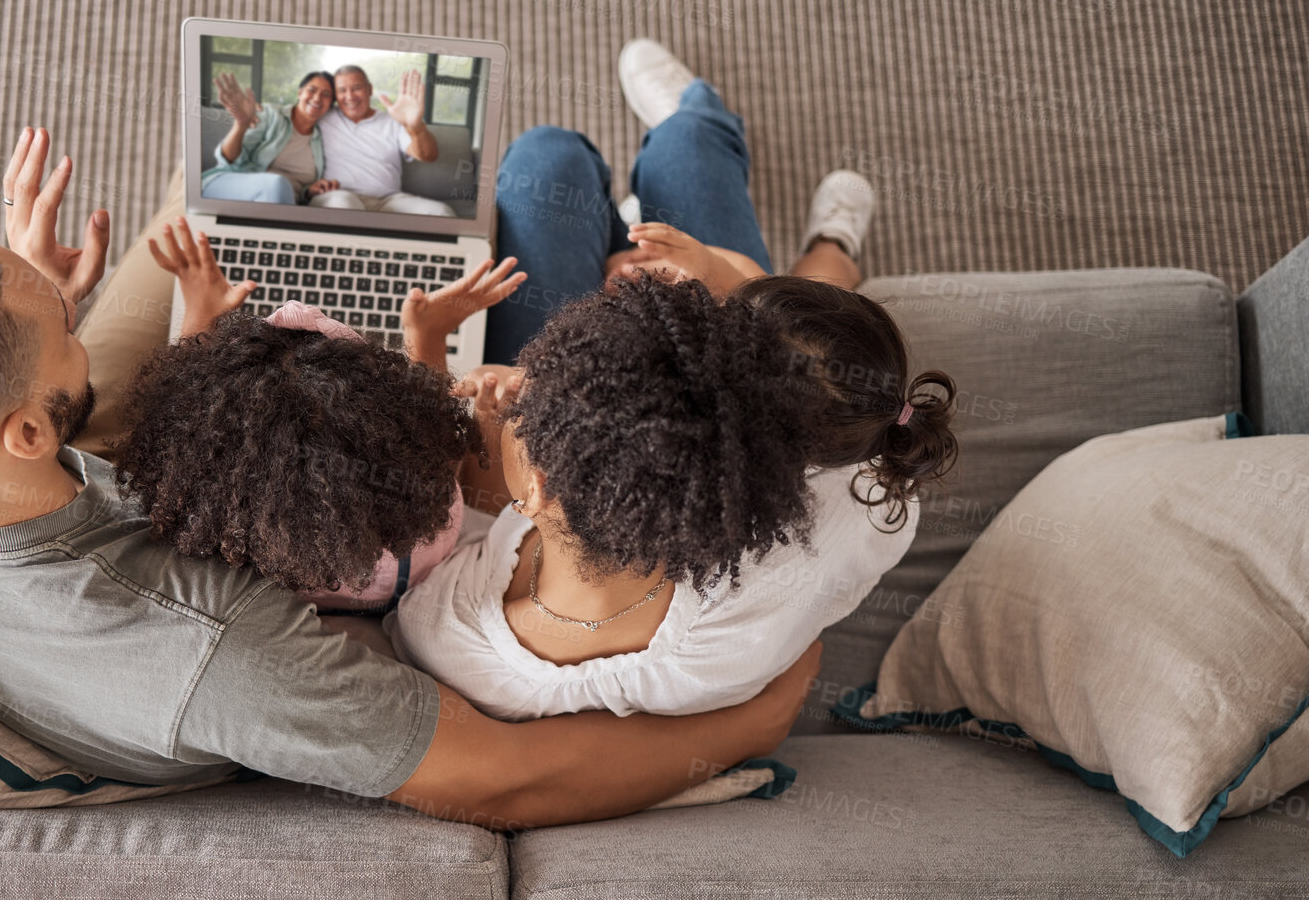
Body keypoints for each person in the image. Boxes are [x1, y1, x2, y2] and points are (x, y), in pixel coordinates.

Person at [0, 124, 820, 831]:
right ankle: (801, 240)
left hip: (134, 460)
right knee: (551, 173)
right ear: (30, 431)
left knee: (217, 191)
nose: (77, 308)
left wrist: (31, 290)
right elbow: (512, 782)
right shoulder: (216, 650)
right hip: (215, 536)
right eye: (63, 330)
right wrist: (763, 712)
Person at [390, 271, 959, 721]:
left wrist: (427, 348)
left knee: (554, 158)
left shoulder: (447, 638)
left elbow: (469, 503)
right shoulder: (866, 492)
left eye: (523, 413)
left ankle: (827, 249)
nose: (514, 388)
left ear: (537, 492)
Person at [116, 217, 526, 614]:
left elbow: (192, 428)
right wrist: (428, 334)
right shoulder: (422, 517)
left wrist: (200, 317)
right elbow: (436, 452)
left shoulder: (223, 538)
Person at [481, 38, 878, 365]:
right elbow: (762, 305)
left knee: (548, 155)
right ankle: (833, 241)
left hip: (568, 381)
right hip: (708, 342)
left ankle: (683, 137)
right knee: (689, 142)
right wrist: (699, 269)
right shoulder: (779, 371)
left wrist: (617, 304)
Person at [309, 65, 456, 216]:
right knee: (345, 205)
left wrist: (415, 126)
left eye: (356, 88)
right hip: (338, 196)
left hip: (389, 201)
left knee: (442, 212)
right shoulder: (322, 118)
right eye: (342, 90)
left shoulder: (392, 121)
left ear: (369, 89)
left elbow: (428, 155)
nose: (350, 96)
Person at [201, 71, 340, 204]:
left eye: (326, 94)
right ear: (300, 93)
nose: (317, 98)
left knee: (280, 189)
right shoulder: (271, 114)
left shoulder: (321, 140)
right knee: (277, 184)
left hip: (281, 204)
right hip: (232, 183)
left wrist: (308, 192)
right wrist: (241, 125)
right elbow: (229, 160)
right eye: (312, 90)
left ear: (330, 105)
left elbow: (298, 192)